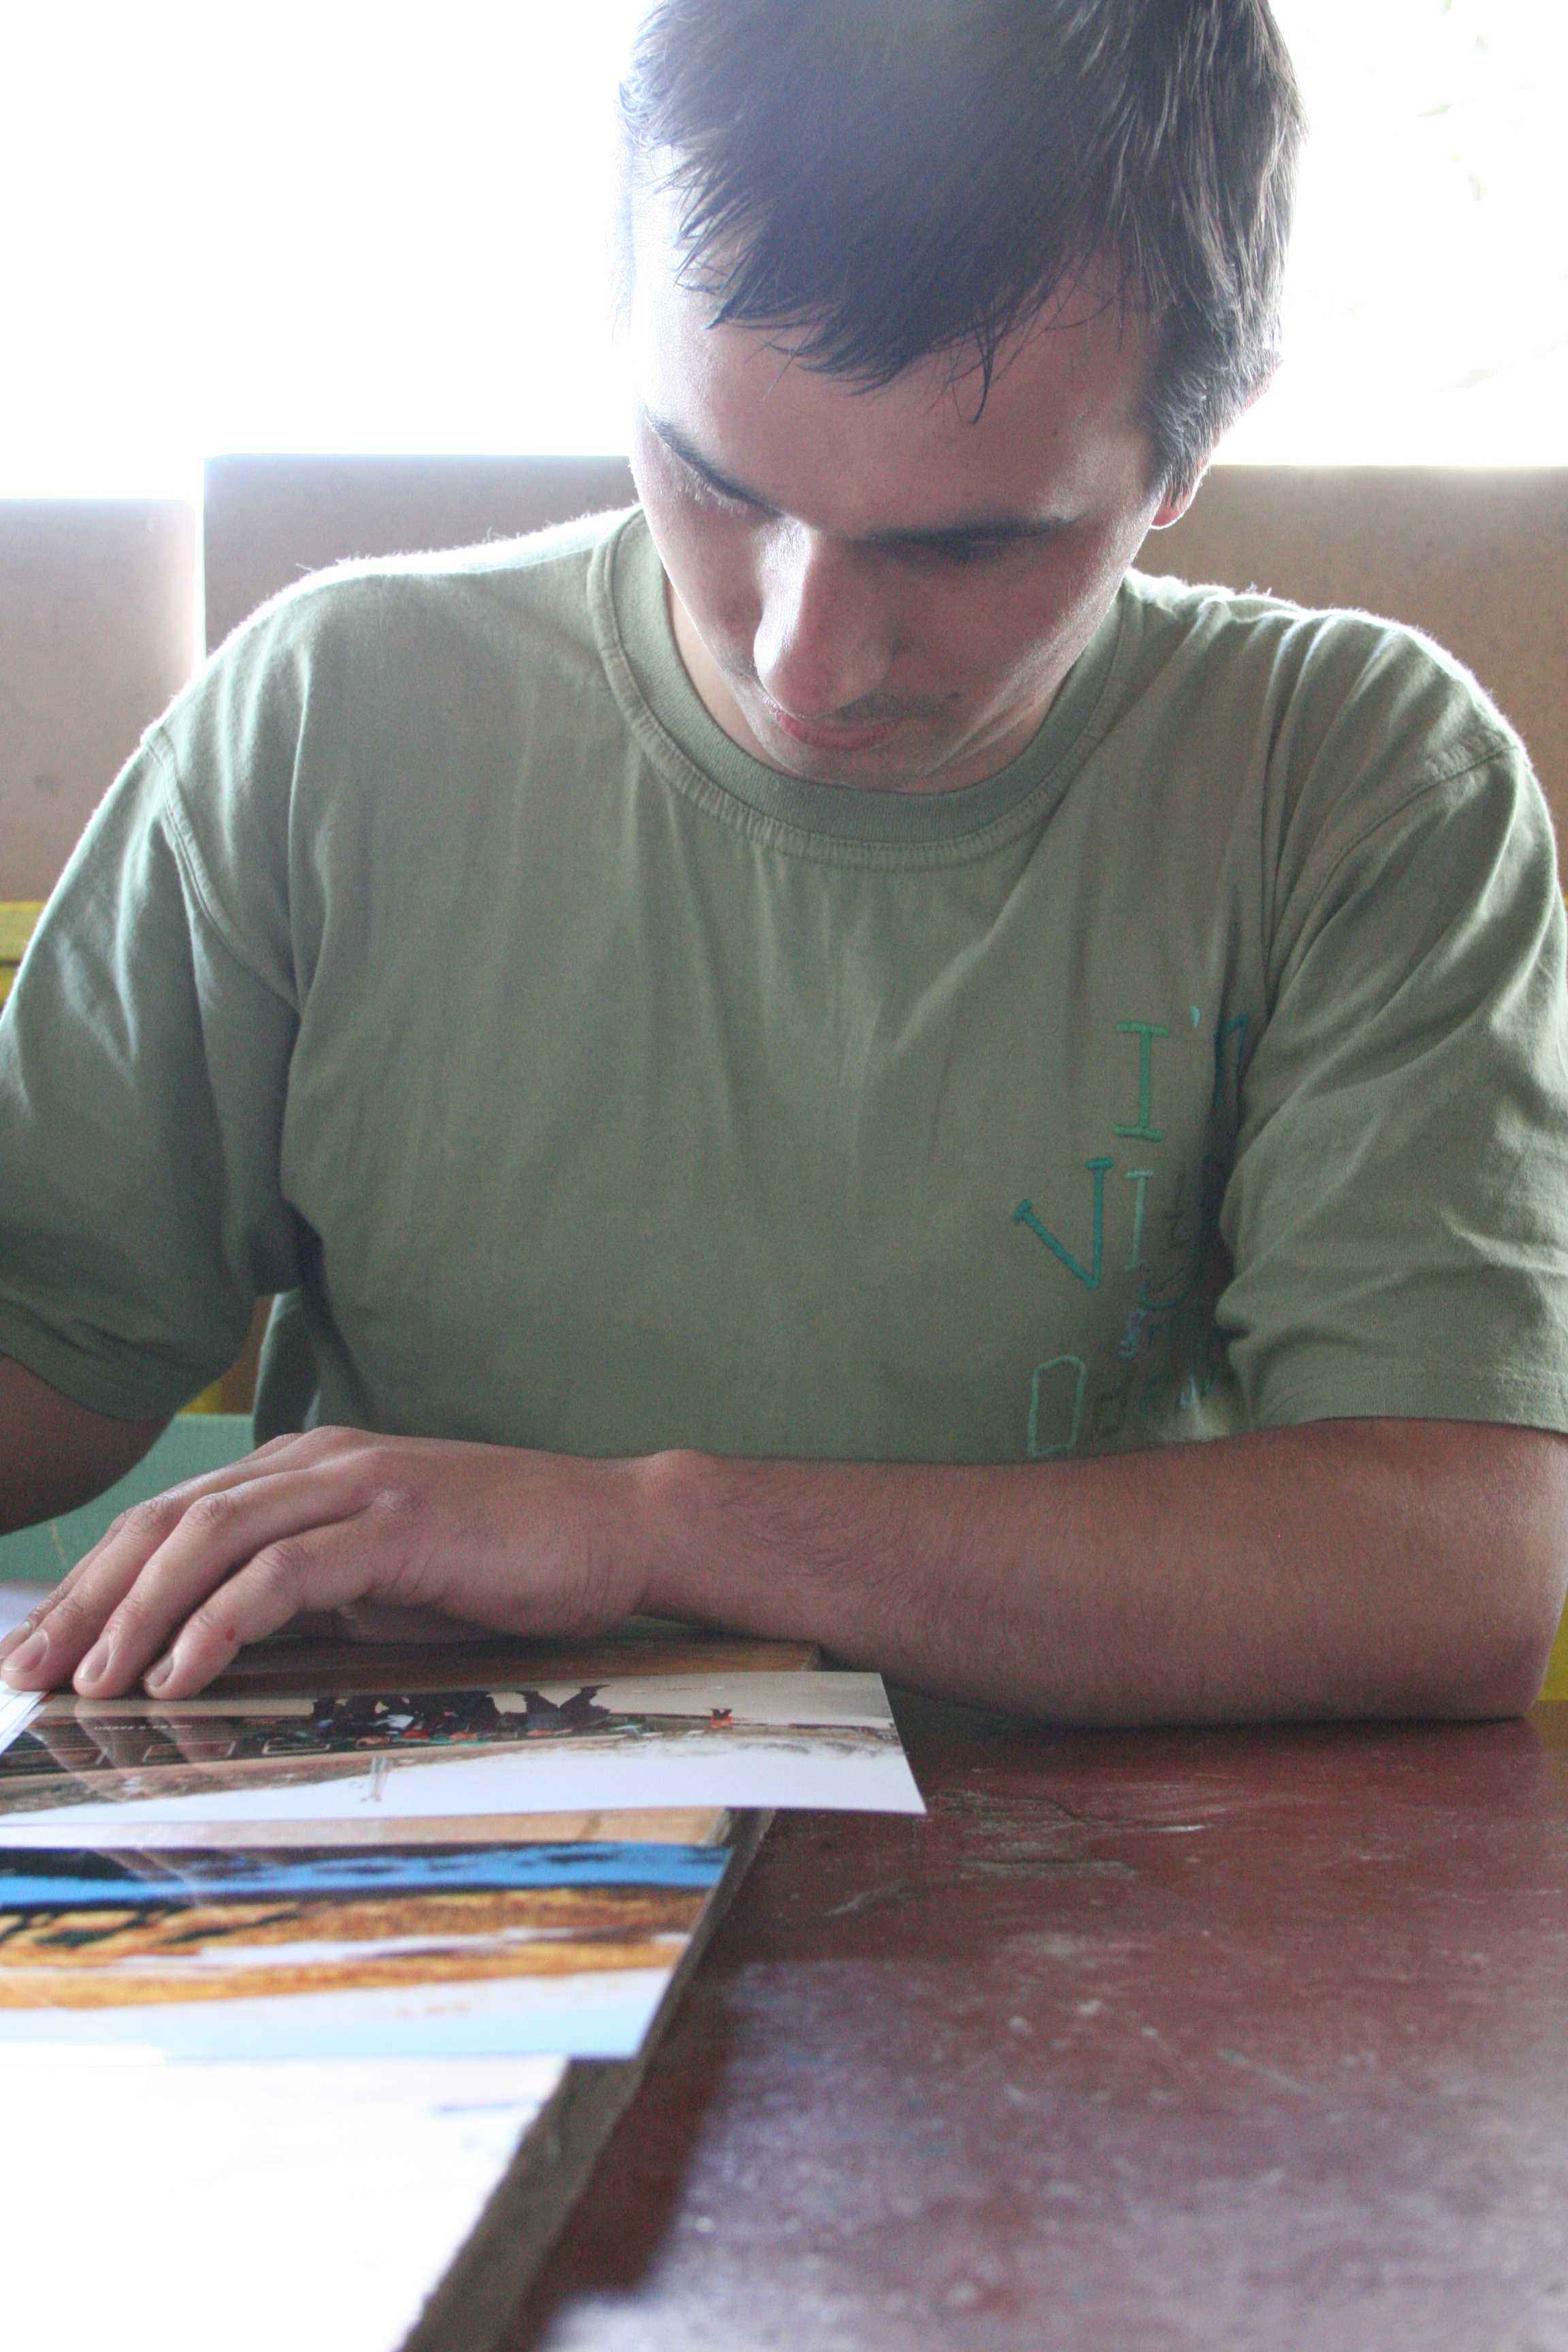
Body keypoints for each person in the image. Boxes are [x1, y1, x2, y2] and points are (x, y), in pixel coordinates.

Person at [3, 0, 1567, 1725]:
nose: (801, 656)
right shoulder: (329, 718)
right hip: (418, 1843)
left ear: (1193, 448)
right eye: (713, 479)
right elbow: (44, 1358)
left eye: (967, 546)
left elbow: (1455, 1574)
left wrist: (650, 1531)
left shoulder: (1349, 779)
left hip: (1091, 1858)